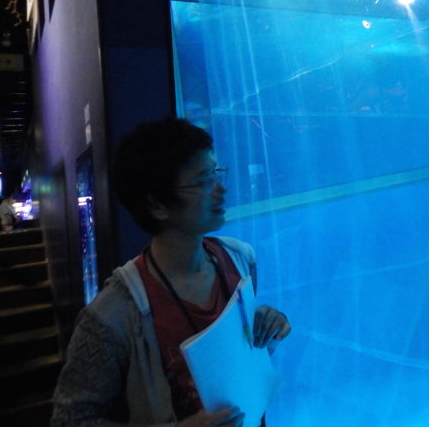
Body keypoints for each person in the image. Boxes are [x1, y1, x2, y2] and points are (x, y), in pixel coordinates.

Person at [51, 118, 291, 426]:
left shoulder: (240, 259)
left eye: (217, 173)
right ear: (157, 205)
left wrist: (268, 326)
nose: (220, 189)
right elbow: (69, 419)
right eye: (204, 180)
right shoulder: (114, 314)